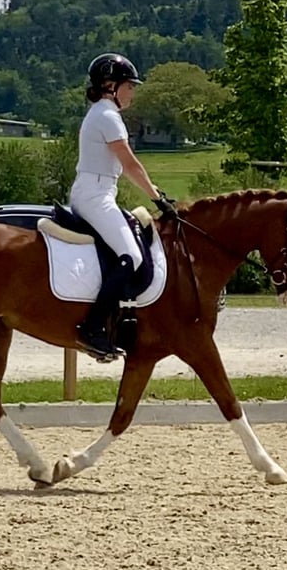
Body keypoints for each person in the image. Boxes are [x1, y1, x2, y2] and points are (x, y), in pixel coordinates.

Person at [70, 52, 177, 359]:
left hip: (99, 192)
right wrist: (157, 198)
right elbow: (130, 165)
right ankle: (93, 328)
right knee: (130, 255)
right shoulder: (107, 116)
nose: (133, 90)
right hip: (95, 195)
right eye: (129, 85)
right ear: (110, 86)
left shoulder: (102, 113)